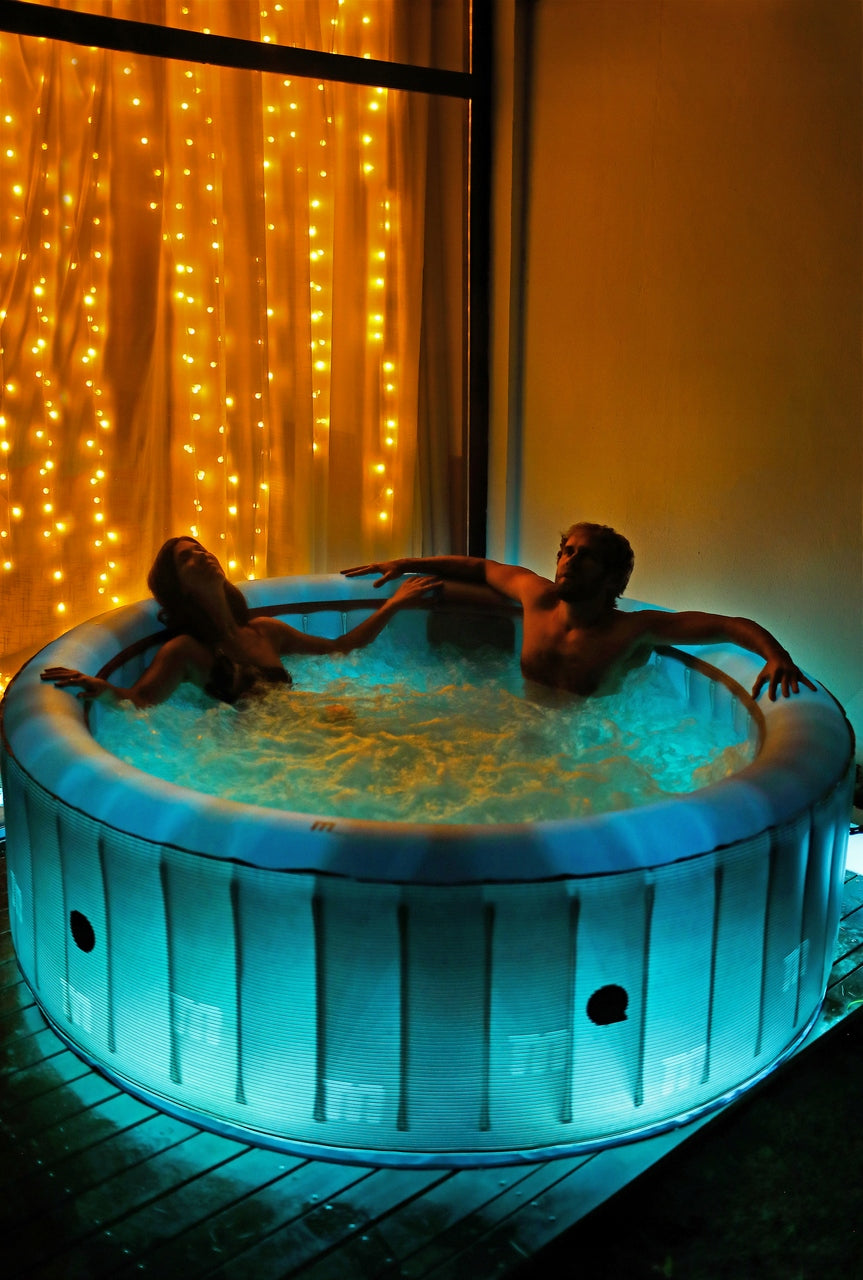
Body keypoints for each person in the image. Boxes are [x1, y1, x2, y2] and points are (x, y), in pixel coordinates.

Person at [343, 521, 815, 701]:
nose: (568, 560)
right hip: (518, 725)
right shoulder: (537, 597)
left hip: (589, 750)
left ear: (612, 579)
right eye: (566, 551)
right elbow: (481, 568)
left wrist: (777, 656)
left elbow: (729, 626)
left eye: (584, 556)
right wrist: (406, 563)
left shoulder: (633, 630)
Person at [42, 535, 440, 707]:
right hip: (266, 753)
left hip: (306, 727)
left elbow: (341, 648)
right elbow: (141, 699)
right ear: (178, 588)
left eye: (201, 549)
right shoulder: (187, 651)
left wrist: (394, 604)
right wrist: (103, 690)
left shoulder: (266, 631)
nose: (202, 555)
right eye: (186, 558)